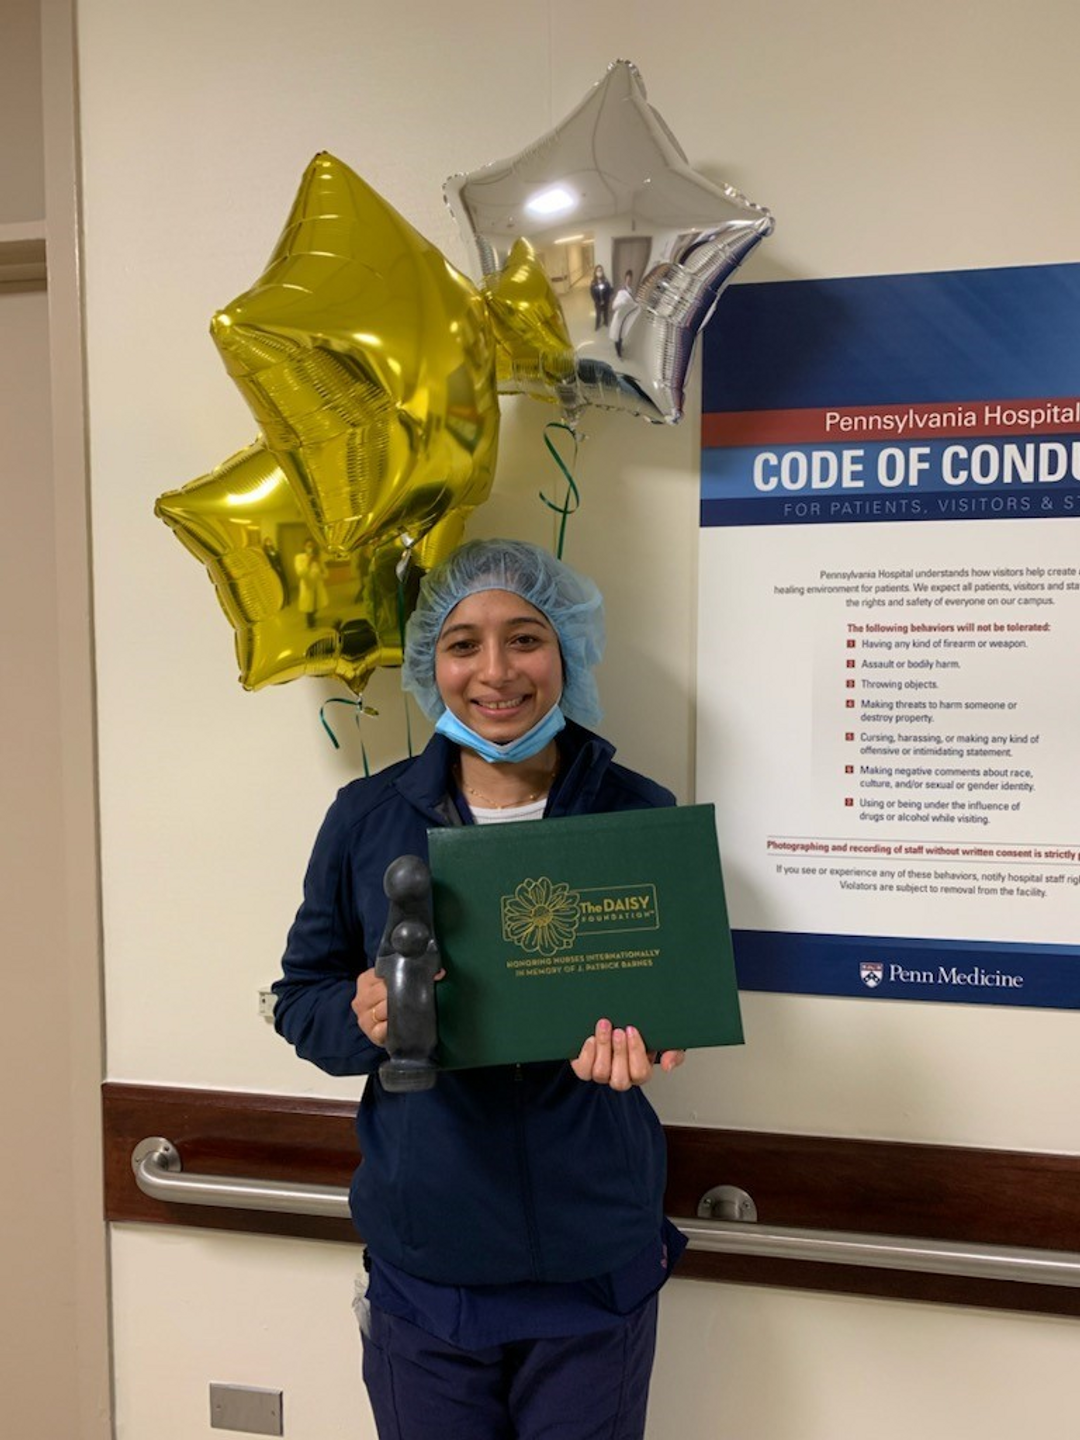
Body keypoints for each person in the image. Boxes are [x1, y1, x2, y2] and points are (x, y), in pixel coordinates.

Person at [273, 538, 687, 1440]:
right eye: (463, 644)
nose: (495, 672)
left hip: (593, 1262)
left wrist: (653, 1036)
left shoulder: (638, 816)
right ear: (432, 664)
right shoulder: (368, 819)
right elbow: (300, 994)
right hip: (429, 1264)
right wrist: (361, 1018)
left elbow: (671, 995)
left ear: (567, 649)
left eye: (525, 638)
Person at [294, 537, 329, 627]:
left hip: (317, 585)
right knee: (308, 606)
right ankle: (310, 624)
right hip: (307, 585)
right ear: (304, 546)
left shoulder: (318, 558)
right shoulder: (299, 557)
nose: (311, 548)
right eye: (309, 546)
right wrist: (308, 563)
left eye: (313, 546)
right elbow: (300, 573)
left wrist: (320, 565)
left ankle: (313, 616)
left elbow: (326, 574)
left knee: (316, 605)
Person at [590, 264, 614, 329]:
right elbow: (592, 293)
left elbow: (609, 290)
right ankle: (597, 325)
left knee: (605, 313)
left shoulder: (605, 281)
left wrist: (607, 298)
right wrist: (596, 301)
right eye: (597, 271)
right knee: (598, 314)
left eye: (600, 270)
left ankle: (605, 322)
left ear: (602, 272)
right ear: (595, 272)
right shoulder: (593, 282)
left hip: (605, 301)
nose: (599, 272)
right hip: (598, 302)